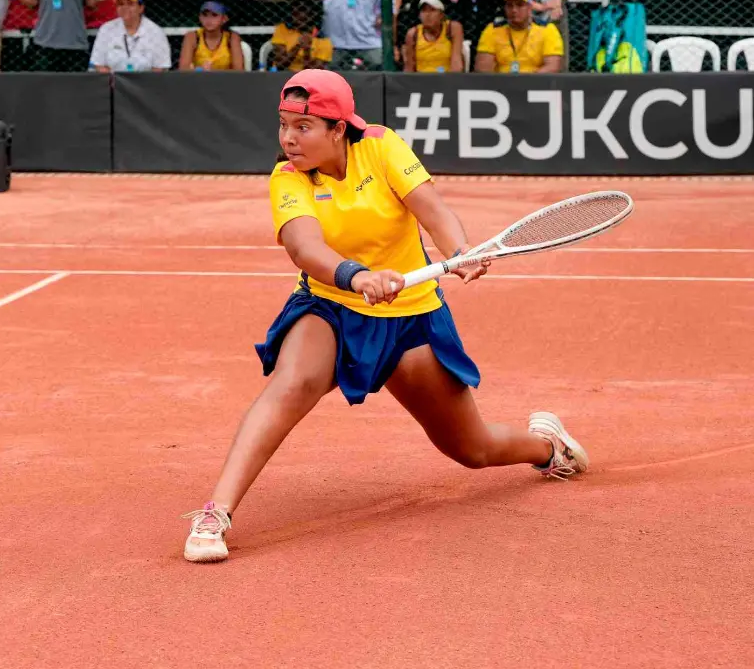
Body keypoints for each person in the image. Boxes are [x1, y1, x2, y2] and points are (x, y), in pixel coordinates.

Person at [180, 69, 588, 563]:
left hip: (411, 317)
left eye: (303, 127)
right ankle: (215, 512)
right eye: (283, 124)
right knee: (291, 383)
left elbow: (431, 209)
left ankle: (546, 448)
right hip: (331, 304)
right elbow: (304, 247)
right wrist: (355, 276)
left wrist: (458, 251)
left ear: (337, 128)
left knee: (471, 449)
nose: (289, 137)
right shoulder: (287, 178)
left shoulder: (382, 147)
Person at [474, 0, 563, 74]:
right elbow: (482, 68)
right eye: (510, 5)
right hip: (501, 83)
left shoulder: (547, 30)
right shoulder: (492, 30)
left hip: (535, 83)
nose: (514, 10)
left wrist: (525, 83)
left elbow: (553, 66)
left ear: (529, 7)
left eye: (520, 5)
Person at [88, 0, 171, 73]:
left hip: (146, 84)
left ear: (141, 8)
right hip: (113, 83)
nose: (125, 7)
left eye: (130, 4)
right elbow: (98, 65)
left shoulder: (156, 32)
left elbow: (160, 69)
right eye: (121, 4)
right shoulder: (106, 29)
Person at [402, 0, 464, 73]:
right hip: (421, 81)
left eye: (432, 10)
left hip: (446, 79)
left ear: (441, 15)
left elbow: (457, 64)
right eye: (424, 10)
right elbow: (409, 67)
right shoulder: (413, 34)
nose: (427, 15)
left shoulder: (453, 28)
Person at [178, 1, 244, 71]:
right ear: (200, 17)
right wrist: (200, 70)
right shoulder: (192, 36)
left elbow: (238, 70)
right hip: (199, 80)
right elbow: (183, 69)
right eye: (205, 15)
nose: (208, 19)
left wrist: (212, 73)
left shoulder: (232, 37)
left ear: (224, 19)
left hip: (225, 81)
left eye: (214, 15)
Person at [269, 1, 333, 72]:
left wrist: (307, 50)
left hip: (308, 78)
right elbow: (280, 65)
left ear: (313, 16)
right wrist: (298, 46)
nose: (302, 15)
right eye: (296, 14)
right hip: (283, 75)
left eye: (307, 14)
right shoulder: (282, 29)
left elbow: (314, 72)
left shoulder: (323, 39)